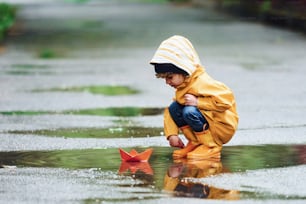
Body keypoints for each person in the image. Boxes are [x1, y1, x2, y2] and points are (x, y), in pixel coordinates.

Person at [149, 35, 239, 160]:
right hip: (206, 123)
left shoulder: (202, 82)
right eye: (164, 78)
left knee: (189, 111)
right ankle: (195, 142)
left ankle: (210, 146)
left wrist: (198, 102)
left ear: (183, 70)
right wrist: (171, 135)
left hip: (220, 127)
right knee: (175, 108)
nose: (167, 82)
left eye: (170, 77)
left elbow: (227, 100)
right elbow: (171, 112)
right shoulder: (183, 85)